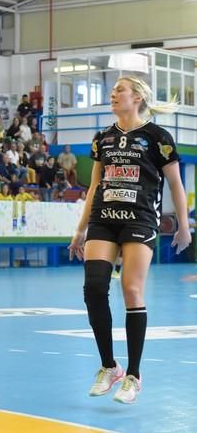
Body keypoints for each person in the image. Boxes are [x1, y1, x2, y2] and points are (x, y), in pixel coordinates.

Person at [68, 77, 191, 404]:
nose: (112, 95)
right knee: (94, 289)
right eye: (111, 91)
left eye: (119, 90)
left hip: (139, 220)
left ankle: (134, 376)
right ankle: (109, 367)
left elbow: (176, 184)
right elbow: (93, 187)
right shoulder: (103, 138)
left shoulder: (158, 138)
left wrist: (183, 223)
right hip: (103, 220)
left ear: (137, 97)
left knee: (131, 290)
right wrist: (80, 229)